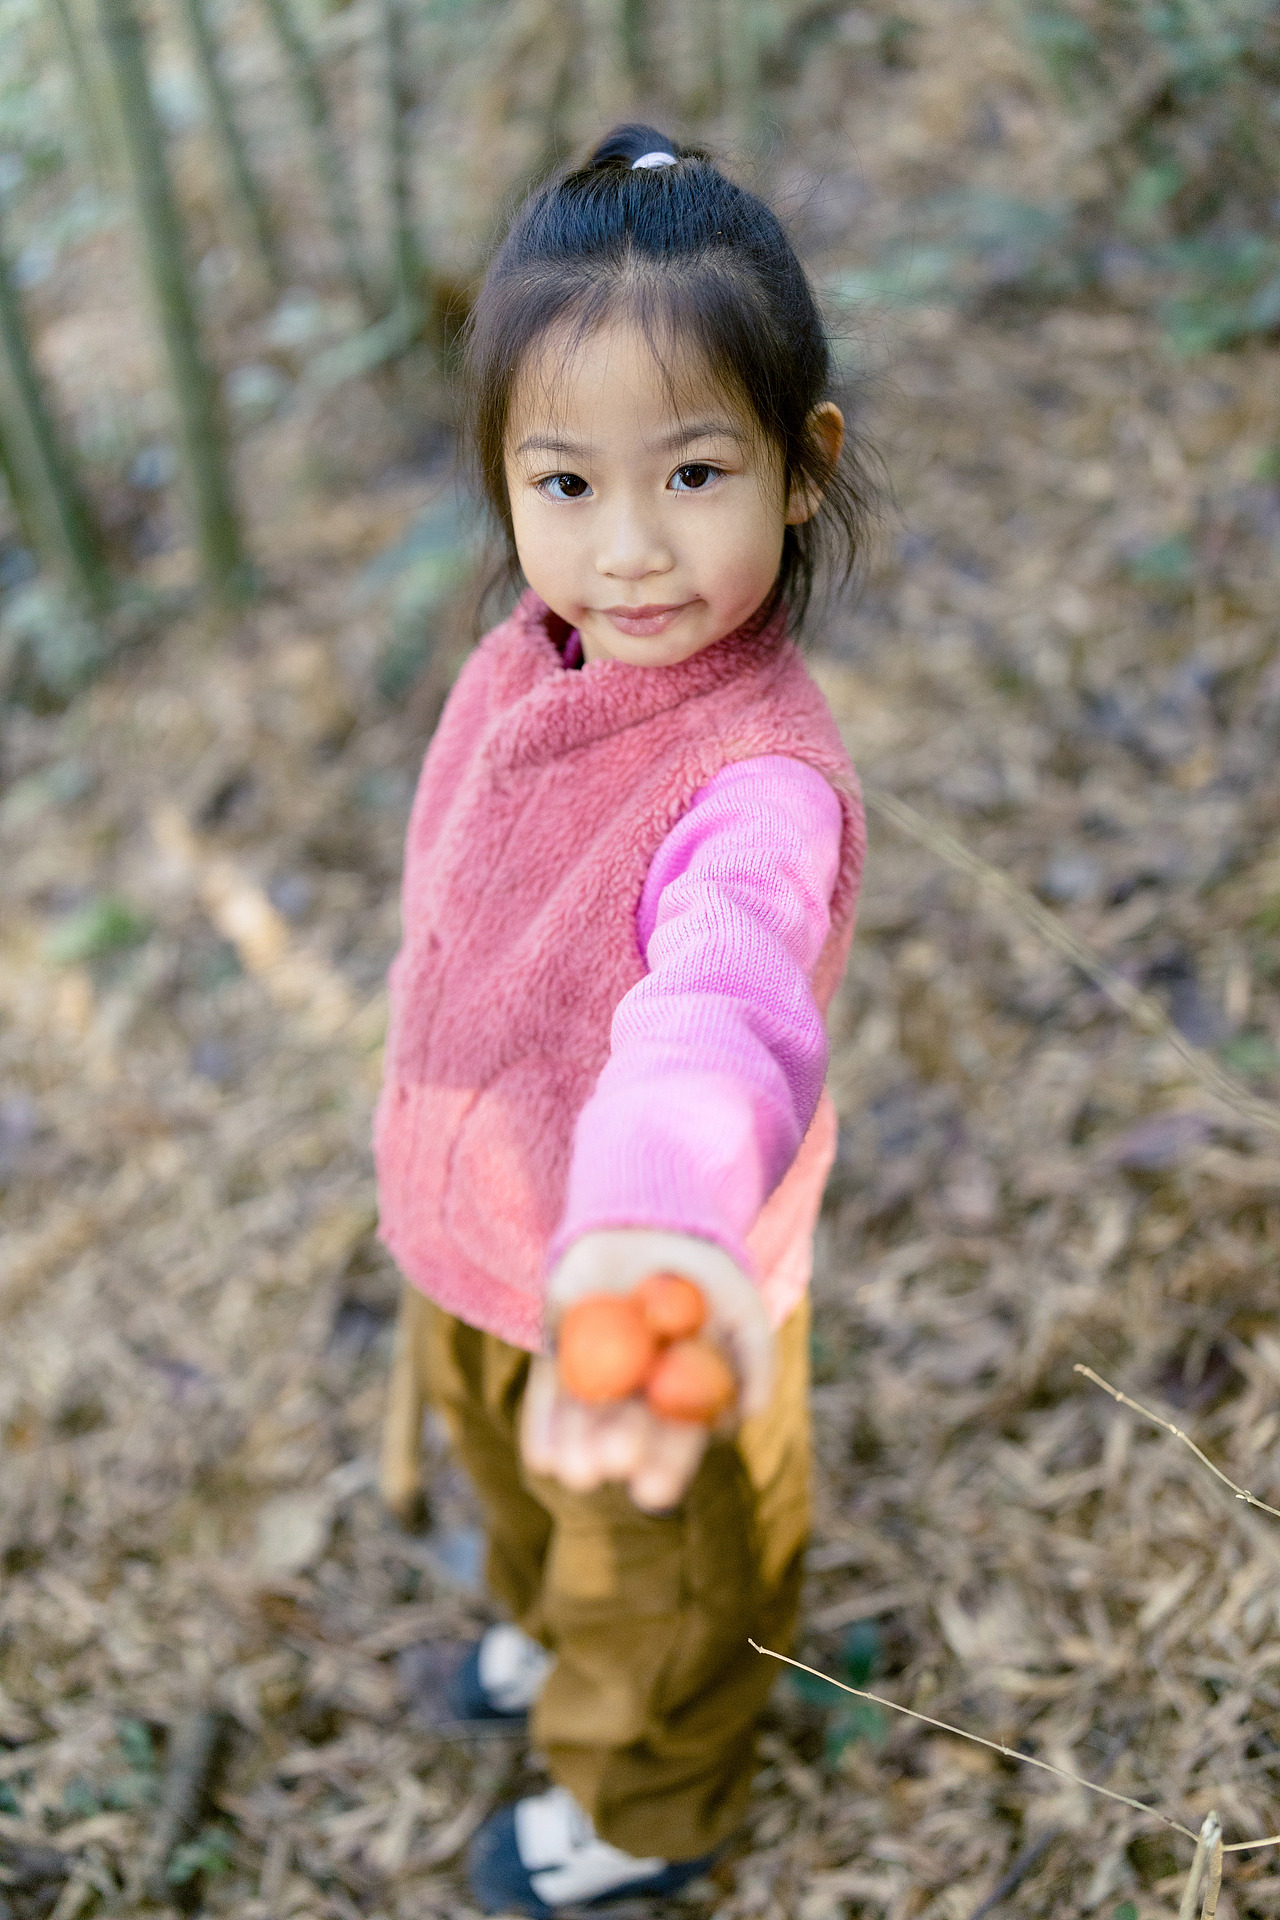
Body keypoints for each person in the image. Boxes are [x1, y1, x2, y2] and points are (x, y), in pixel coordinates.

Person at [374, 121, 871, 1916]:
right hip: (482, 1230)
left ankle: (654, 1804)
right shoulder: (533, 653)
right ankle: (538, 1621)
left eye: (693, 472)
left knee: (661, 1568)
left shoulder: (756, 786)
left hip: (640, 1275)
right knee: (522, 1483)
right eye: (566, 485)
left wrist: (652, 1235)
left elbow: (719, 1006)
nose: (631, 550)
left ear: (799, 467)